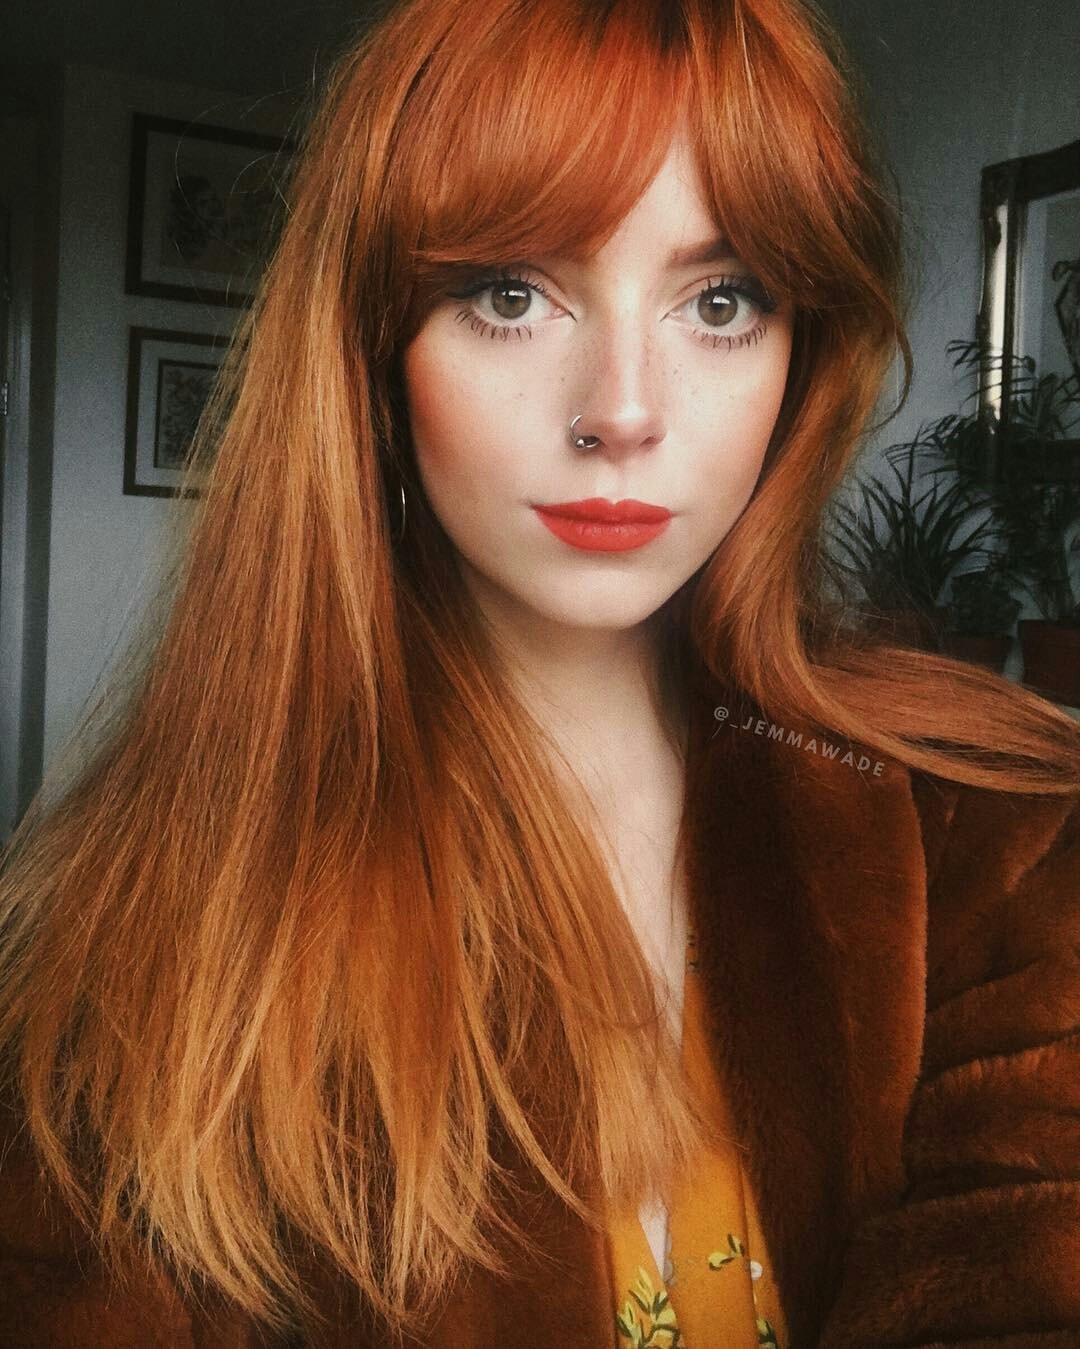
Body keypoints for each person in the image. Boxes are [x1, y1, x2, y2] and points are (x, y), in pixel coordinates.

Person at [1, 0, 1077, 1344]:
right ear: (375, 354)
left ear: (804, 356)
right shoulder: (155, 928)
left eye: (721, 300)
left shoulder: (981, 821)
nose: (621, 410)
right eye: (511, 294)